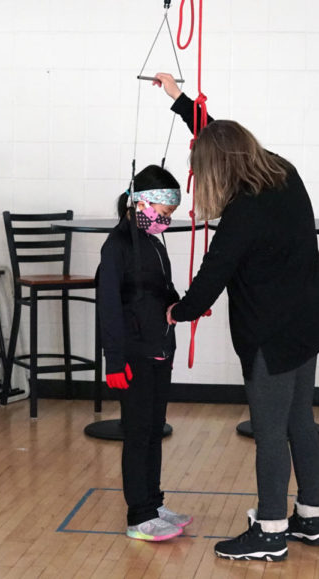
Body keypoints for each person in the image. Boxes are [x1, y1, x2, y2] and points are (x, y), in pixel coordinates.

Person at [153, 72, 319, 562]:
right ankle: (311, 518)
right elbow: (220, 138)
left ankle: (270, 530)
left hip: (271, 336)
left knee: (271, 430)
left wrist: (178, 311)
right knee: (299, 421)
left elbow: (212, 274)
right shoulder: (281, 171)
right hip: (310, 322)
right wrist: (180, 101)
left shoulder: (243, 214)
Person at [96, 164, 192, 542]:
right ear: (142, 202)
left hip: (158, 350)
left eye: (169, 216)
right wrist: (114, 361)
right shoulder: (116, 245)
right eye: (164, 213)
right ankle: (139, 515)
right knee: (137, 434)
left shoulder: (152, 241)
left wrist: (185, 307)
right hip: (133, 357)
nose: (165, 221)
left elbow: (158, 291)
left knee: (154, 431)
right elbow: (109, 308)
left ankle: (153, 503)